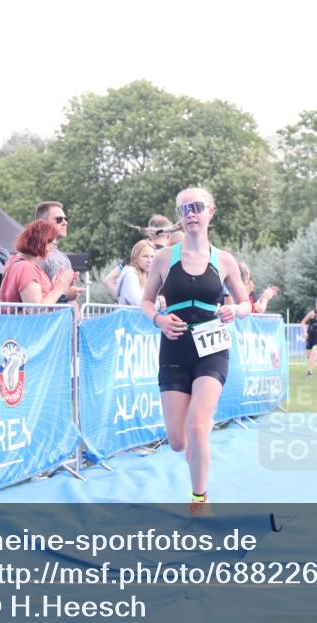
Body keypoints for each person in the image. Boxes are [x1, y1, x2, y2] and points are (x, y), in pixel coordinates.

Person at [140, 187, 251, 508]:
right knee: (177, 441)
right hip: (174, 349)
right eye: (184, 208)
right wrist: (158, 320)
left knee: (198, 425)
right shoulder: (163, 258)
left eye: (197, 207)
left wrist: (235, 310)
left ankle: (198, 500)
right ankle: (194, 443)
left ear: (210, 212)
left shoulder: (225, 260)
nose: (191, 213)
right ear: (179, 216)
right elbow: (146, 301)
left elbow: (246, 304)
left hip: (212, 349)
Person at [0, 220, 75, 311]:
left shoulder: (17, 262)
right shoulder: (25, 268)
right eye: (54, 244)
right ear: (44, 242)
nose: (53, 249)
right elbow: (36, 311)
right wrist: (59, 289)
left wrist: (57, 284)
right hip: (27, 324)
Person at [35, 201, 84, 302]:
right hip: (47, 317)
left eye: (66, 219)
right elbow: (35, 302)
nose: (65, 222)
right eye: (59, 219)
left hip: (67, 316)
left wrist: (77, 317)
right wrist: (64, 295)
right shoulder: (36, 256)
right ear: (42, 222)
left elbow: (71, 298)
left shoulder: (63, 258)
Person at [112, 239, 155, 306]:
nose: (149, 260)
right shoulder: (131, 275)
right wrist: (159, 302)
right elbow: (138, 303)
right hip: (129, 316)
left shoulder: (144, 274)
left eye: (152, 256)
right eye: (145, 256)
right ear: (136, 257)